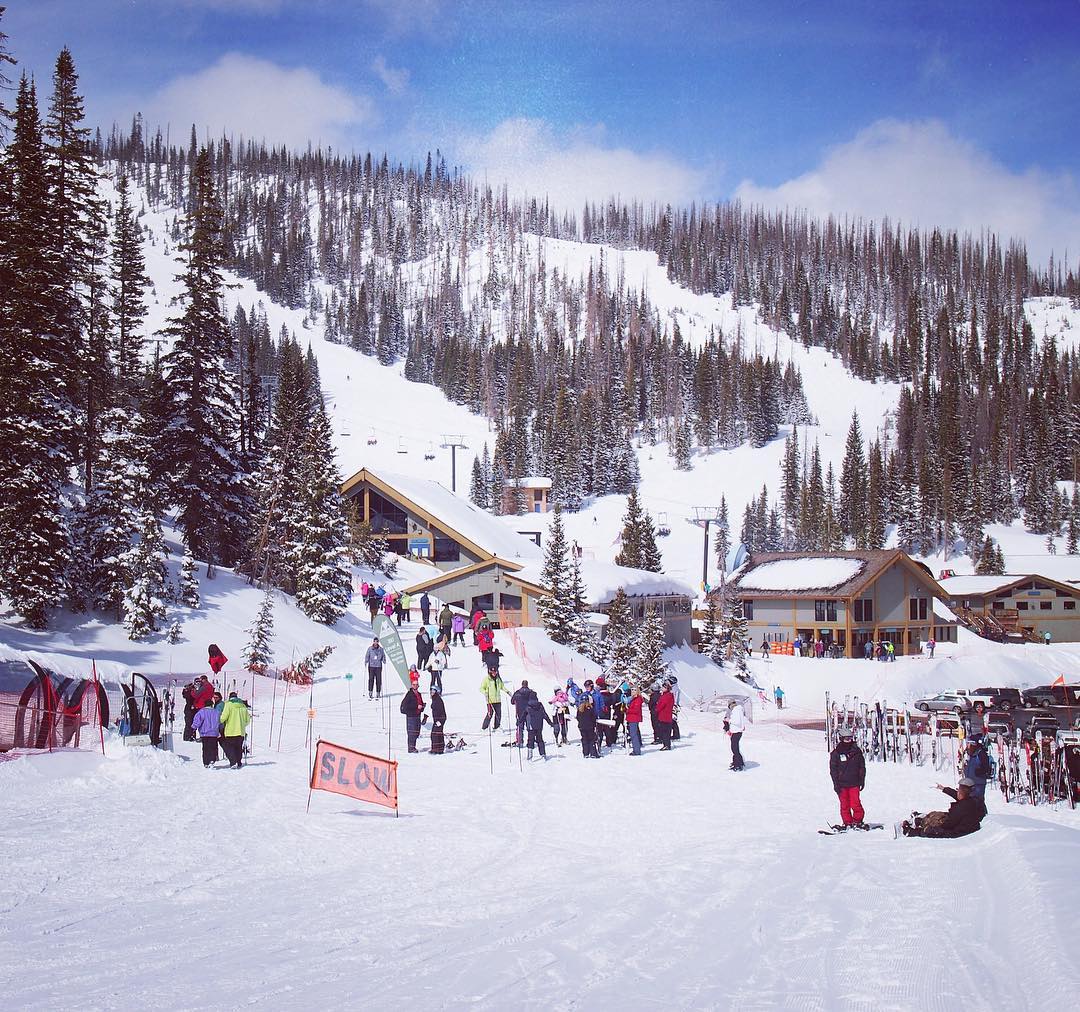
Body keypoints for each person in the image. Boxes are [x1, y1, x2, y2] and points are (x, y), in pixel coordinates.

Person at [903, 779, 987, 837]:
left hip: (957, 831)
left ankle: (912, 831)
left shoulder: (961, 807)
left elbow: (948, 824)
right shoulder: (971, 800)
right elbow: (956, 794)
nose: (957, 791)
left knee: (933, 828)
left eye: (958, 790)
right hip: (964, 826)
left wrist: (935, 827)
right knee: (938, 815)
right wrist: (943, 788)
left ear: (962, 792)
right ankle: (921, 820)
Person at [829, 727, 866, 828]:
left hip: (854, 783)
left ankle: (858, 820)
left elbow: (862, 767)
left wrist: (862, 780)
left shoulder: (857, 752)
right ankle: (847, 822)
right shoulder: (836, 753)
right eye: (846, 739)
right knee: (844, 805)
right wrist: (836, 784)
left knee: (855, 803)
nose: (848, 741)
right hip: (842, 784)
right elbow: (833, 770)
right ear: (841, 739)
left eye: (850, 738)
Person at [219, 691, 250, 769]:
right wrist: (242, 725)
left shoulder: (228, 705)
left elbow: (223, 717)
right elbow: (248, 720)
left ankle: (233, 762)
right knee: (238, 747)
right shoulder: (243, 706)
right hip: (241, 731)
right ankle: (239, 762)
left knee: (229, 747)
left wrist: (219, 721)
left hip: (230, 730)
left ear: (230, 697)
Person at [192, 698, 221, 767]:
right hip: (214, 733)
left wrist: (193, 727)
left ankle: (206, 762)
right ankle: (212, 760)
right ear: (212, 705)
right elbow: (220, 722)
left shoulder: (201, 712)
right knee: (213, 747)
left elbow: (197, 721)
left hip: (205, 733)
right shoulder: (216, 712)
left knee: (205, 748)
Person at [399, 674, 425, 753]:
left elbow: (420, 703)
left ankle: (413, 746)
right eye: (414, 684)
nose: (415, 686)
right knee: (411, 733)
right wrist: (416, 707)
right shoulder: (409, 694)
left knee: (417, 732)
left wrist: (422, 707)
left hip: (418, 715)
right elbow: (404, 707)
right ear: (411, 685)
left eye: (416, 684)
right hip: (411, 717)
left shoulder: (419, 694)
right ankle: (411, 748)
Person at [525, 694, 553, 759]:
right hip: (539, 725)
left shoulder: (528, 706)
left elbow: (524, 715)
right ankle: (543, 754)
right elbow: (545, 715)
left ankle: (530, 755)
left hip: (531, 726)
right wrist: (550, 723)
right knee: (540, 739)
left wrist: (519, 722)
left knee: (530, 740)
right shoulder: (540, 706)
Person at [511, 680, 534, 747]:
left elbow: (512, 702)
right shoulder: (531, 692)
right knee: (529, 728)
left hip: (519, 713)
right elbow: (535, 701)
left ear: (522, 684)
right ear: (527, 685)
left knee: (520, 728)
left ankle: (520, 742)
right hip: (529, 712)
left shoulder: (517, 693)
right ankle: (530, 742)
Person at [725, 698, 746, 770]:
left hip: (736, 732)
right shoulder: (738, 710)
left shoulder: (736, 710)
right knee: (735, 748)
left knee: (734, 749)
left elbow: (737, 722)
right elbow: (741, 722)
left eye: (729, 706)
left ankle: (737, 764)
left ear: (731, 705)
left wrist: (729, 720)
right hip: (737, 731)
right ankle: (739, 762)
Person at [576, 693, 598, 758]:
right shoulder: (590, 708)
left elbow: (578, 718)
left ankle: (586, 753)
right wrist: (594, 724)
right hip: (590, 727)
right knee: (591, 739)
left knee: (584, 740)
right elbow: (594, 717)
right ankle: (593, 753)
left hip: (582, 727)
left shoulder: (579, 709)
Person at [655, 681, 675, 750]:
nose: (662, 688)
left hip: (664, 715)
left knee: (665, 731)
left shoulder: (667, 696)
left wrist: (656, 709)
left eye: (664, 687)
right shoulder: (667, 695)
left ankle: (666, 745)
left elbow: (661, 705)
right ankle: (666, 744)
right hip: (666, 715)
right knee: (666, 731)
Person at [626, 686, 645, 756]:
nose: (633, 692)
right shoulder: (633, 698)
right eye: (632, 690)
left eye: (634, 690)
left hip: (634, 718)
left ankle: (636, 750)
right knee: (633, 734)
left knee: (633, 734)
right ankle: (636, 749)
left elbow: (636, 710)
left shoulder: (638, 699)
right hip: (631, 718)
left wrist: (628, 710)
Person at [429, 686, 446, 754]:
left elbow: (440, 711)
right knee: (437, 734)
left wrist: (439, 721)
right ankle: (439, 749)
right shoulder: (435, 699)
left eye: (433, 691)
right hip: (437, 719)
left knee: (435, 734)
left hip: (440, 719)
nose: (431, 692)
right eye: (431, 691)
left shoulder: (437, 699)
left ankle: (436, 749)